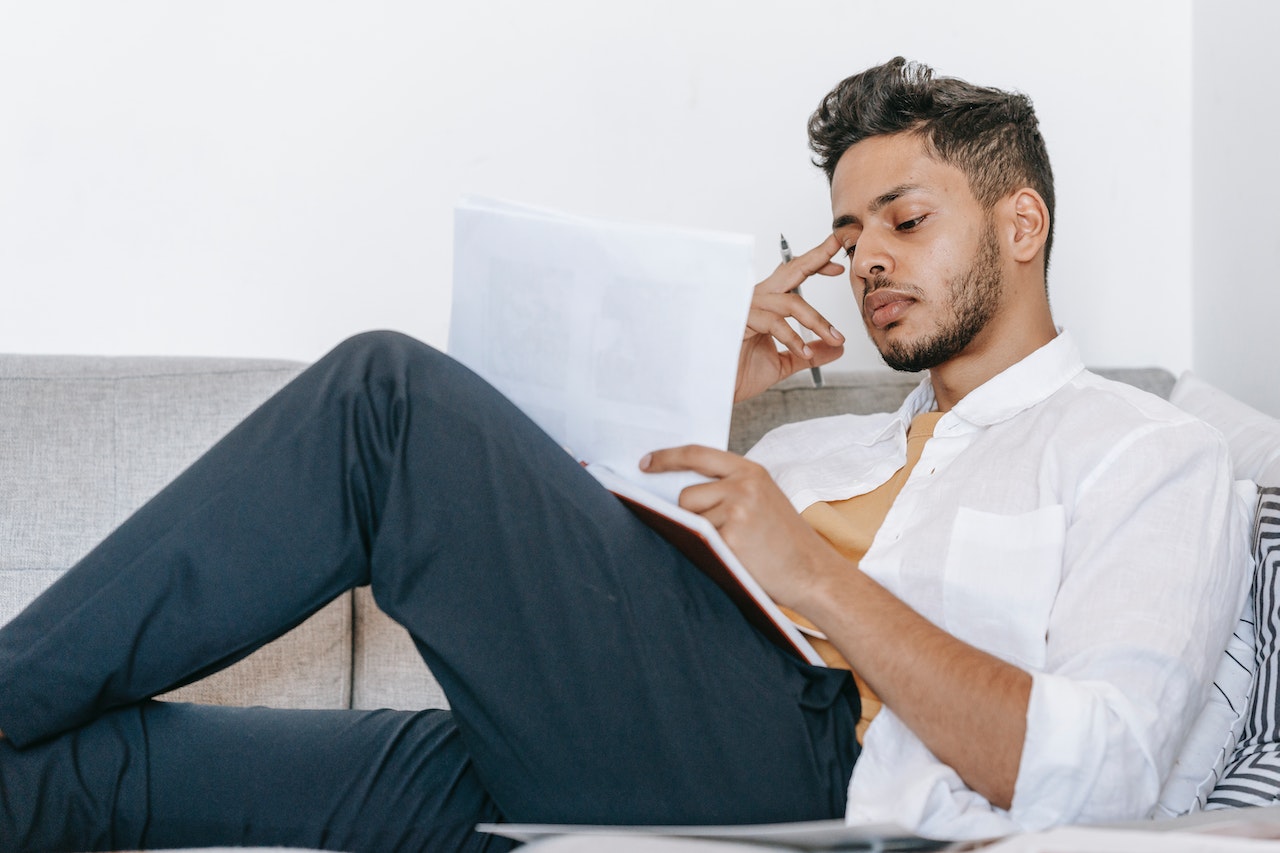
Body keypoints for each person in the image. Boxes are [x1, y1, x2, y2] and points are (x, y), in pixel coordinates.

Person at [0, 57, 1246, 851]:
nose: (865, 257)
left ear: (1020, 224)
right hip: (628, 747)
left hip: (813, 768)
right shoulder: (822, 449)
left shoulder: (1149, 452)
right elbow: (544, 556)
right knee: (109, 768)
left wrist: (813, 579)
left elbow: (1100, 769)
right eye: (845, 232)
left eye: (904, 220)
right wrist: (706, 380)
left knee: (385, 397)